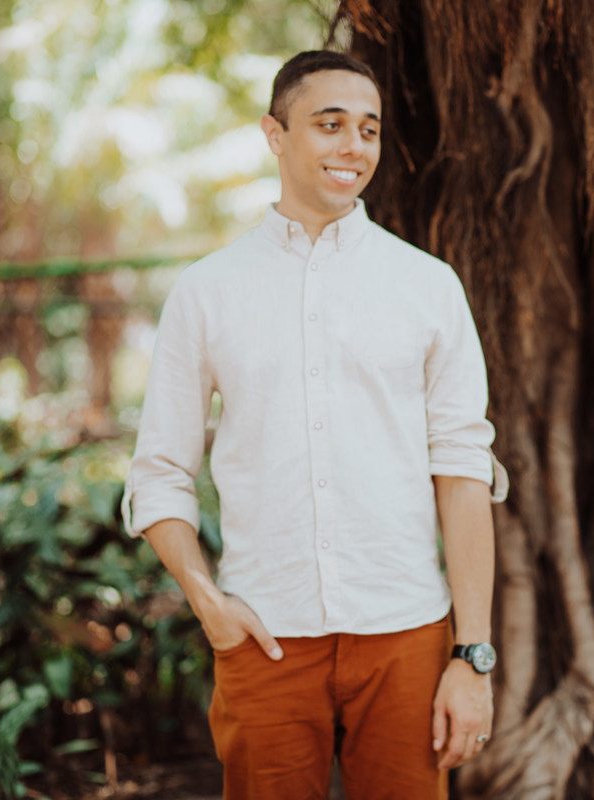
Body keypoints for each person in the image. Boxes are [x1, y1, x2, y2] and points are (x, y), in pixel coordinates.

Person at [121, 50, 506, 800]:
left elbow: (463, 472)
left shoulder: (428, 286)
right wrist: (208, 603)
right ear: (275, 134)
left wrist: (473, 654)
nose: (353, 146)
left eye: (368, 129)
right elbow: (159, 473)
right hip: (263, 635)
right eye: (330, 125)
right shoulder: (206, 292)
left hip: (406, 635)